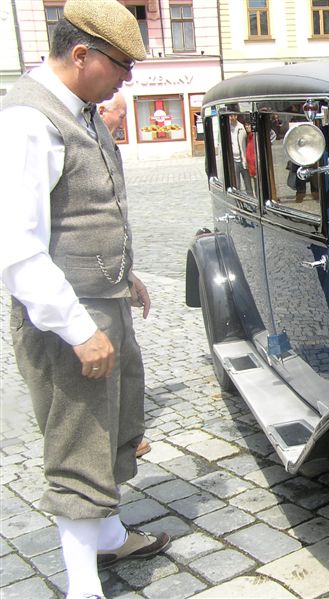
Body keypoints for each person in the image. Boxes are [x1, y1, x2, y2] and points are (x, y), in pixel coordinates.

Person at [0, 2, 169, 598]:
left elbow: (84, 214)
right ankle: (82, 586)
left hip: (103, 300)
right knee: (79, 443)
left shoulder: (82, 111)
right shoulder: (28, 120)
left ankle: (108, 535)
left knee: (116, 426)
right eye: (121, 65)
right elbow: (16, 245)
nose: (128, 78)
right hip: (67, 317)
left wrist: (125, 276)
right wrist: (77, 329)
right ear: (81, 54)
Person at [98, 92, 152, 459]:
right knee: (105, 370)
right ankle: (106, 447)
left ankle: (126, 438)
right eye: (120, 114)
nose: (123, 122)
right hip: (89, 288)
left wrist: (128, 274)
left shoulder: (105, 145)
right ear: (104, 110)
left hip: (114, 277)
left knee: (128, 363)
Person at [230, 114, 251, 194]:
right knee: (236, 185)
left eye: (233, 115)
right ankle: (238, 200)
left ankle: (251, 199)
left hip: (243, 159)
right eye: (230, 116)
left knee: (248, 184)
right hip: (233, 160)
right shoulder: (227, 128)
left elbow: (246, 141)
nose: (231, 117)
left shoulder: (241, 127)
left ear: (236, 116)